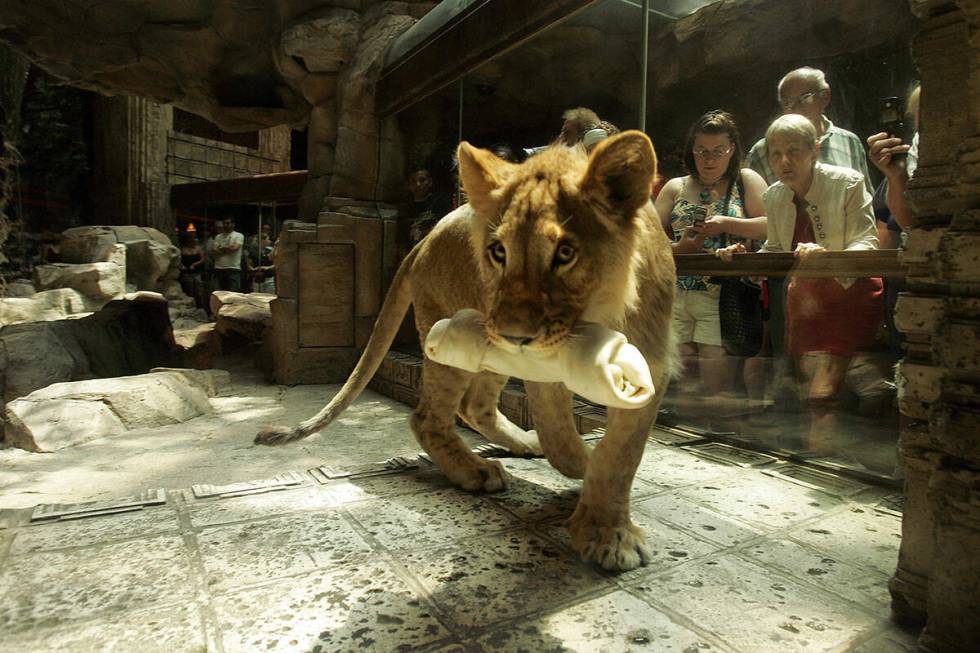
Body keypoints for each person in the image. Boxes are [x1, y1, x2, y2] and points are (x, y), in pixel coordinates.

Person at [729, 114, 882, 456]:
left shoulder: (847, 183)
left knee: (822, 394)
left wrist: (826, 255)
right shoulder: (774, 197)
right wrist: (742, 255)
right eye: (775, 153)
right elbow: (776, 250)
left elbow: (867, 242)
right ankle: (821, 458)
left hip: (848, 294)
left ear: (814, 149)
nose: (784, 161)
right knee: (806, 390)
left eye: (793, 151)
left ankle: (824, 466)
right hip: (804, 301)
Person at [653, 110, 768, 397]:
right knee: (682, 385)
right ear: (692, 150)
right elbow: (648, 240)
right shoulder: (675, 187)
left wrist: (727, 224)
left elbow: (773, 226)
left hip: (723, 296)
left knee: (718, 386)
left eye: (719, 151)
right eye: (702, 150)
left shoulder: (746, 180)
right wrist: (681, 249)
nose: (709, 159)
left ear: (732, 150)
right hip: (678, 295)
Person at [746, 67, 872, 190]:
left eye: (806, 98)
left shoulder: (849, 141)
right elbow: (756, 207)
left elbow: (865, 196)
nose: (796, 107)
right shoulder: (762, 151)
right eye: (788, 101)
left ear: (825, 96)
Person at [867, 84, 920, 357]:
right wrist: (896, 173)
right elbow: (907, 221)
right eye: (917, 117)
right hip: (906, 281)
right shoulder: (912, 156)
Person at [210, 216, 245, 292]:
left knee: (233, 293)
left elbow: (234, 249)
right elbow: (214, 250)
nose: (226, 225)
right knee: (218, 293)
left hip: (233, 268)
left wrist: (221, 248)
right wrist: (227, 248)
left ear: (233, 224)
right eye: (224, 223)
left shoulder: (239, 235)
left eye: (228, 223)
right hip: (219, 268)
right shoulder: (218, 236)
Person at [178, 230, 206, 308]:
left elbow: (203, 259)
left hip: (197, 271)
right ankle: (192, 307)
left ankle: (202, 307)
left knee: (199, 291)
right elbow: (178, 260)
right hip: (186, 272)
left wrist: (194, 264)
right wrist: (182, 265)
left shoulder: (198, 248)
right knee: (190, 290)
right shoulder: (182, 249)